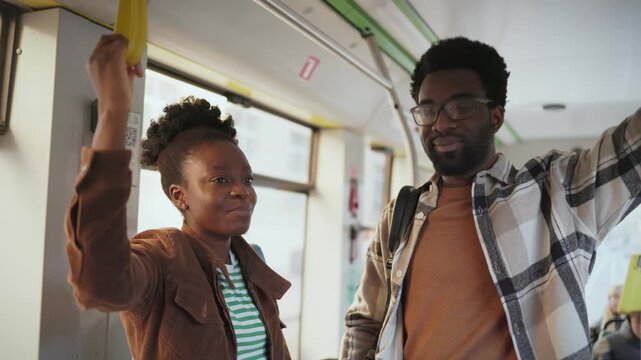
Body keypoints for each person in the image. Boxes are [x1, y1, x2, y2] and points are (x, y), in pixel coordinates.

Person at [340, 36, 641, 359]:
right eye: (428, 110)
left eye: (460, 108)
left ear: (495, 116)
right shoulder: (399, 216)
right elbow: (365, 321)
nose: (441, 123)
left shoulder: (555, 193)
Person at [65, 34, 291, 359]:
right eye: (221, 179)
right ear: (179, 196)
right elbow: (100, 284)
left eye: (247, 179)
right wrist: (114, 112)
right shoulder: (161, 260)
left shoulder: (253, 264)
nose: (243, 190)